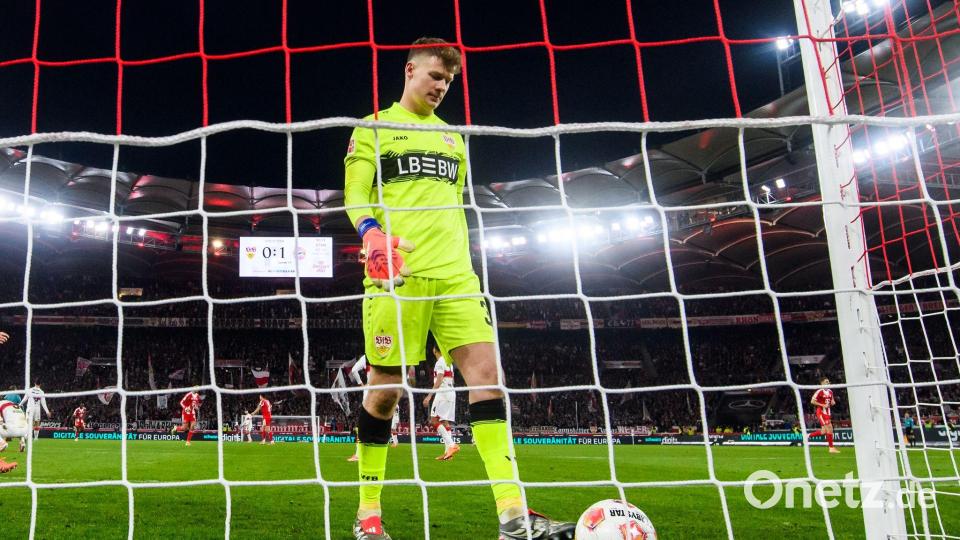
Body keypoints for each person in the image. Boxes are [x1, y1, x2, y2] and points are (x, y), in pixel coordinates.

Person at [343, 37, 574, 540]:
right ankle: (368, 515)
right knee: (384, 393)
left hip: (456, 276)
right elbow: (355, 193)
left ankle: (513, 516)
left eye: (448, 81)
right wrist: (371, 233)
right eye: (435, 76)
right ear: (410, 70)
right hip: (398, 276)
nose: (442, 86)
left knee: (488, 377)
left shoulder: (453, 138)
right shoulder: (374, 126)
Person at [347, 355, 407, 462]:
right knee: (381, 422)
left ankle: (359, 454)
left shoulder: (367, 356)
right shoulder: (388, 355)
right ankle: (375, 452)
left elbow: (354, 370)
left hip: (370, 390)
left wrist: (361, 384)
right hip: (384, 390)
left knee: (364, 423)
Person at [423, 345, 459, 460]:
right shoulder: (448, 362)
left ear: (434, 350)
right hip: (451, 392)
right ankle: (448, 454)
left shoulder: (439, 362)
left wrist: (429, 396)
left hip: (443, 393)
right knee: (444, 422)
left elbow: (439, 380)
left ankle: (452, 445)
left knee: (434, 420)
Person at [808, 377, 840, 454]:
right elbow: (812, 401)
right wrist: (822, 404)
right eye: (826, 382)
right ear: (822, 383)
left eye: (828, 382)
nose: (828, 383)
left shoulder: (830, 391)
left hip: (828, 412)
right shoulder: (819, 391)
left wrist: (833, 402)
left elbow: (832, 401)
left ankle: (807, 436)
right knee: (829, 428)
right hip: (821, 412)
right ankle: (831, 448)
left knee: (823, 431)